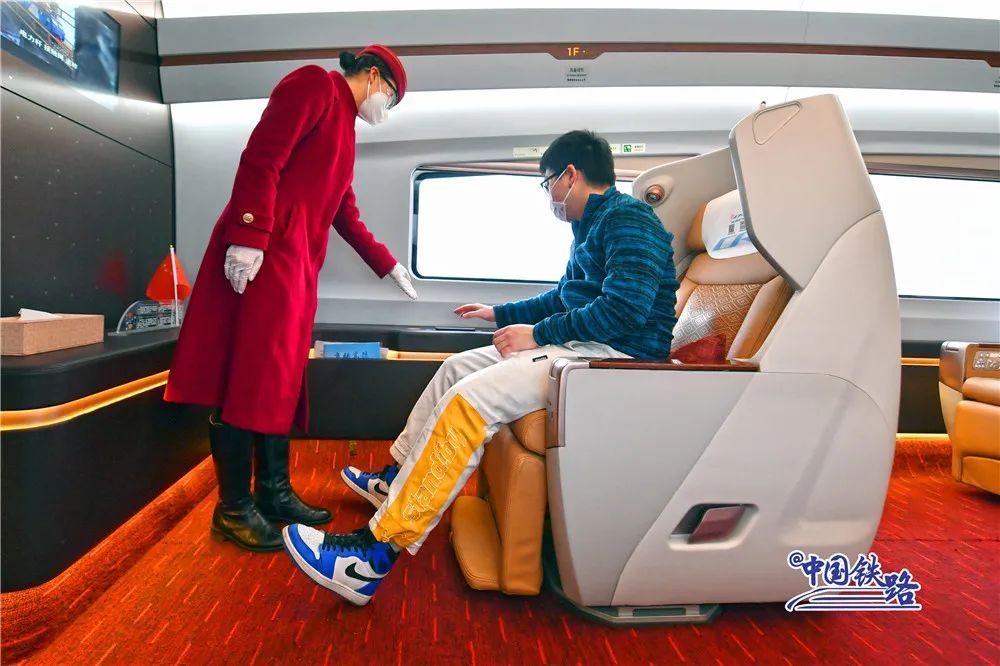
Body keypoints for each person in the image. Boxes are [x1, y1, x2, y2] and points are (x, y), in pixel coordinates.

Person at [282, 130, 681, 604]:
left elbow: (625, 311)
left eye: (547, 184)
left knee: (469, 401)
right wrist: (499, 313)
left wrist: (537, 334)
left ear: (570, 175)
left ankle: (370, 558)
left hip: (614, 360)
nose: (549, 196)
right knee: (457, 368)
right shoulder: (590, 227)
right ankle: (396, 479)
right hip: (583, 346)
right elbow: (563, 298)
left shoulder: (628, 219)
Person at [164, 45, 418, 552]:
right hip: (265, 253)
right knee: (251, 374)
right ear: (373, 75)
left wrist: (387, 264)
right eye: (390, 97)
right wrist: (249, 235)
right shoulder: (314, 86)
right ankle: (233, 509)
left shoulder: (345, 128)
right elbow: (262, 157)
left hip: (295, 264)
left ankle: (273, 492)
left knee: (277, 376)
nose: (386, 108)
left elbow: (343, 210)